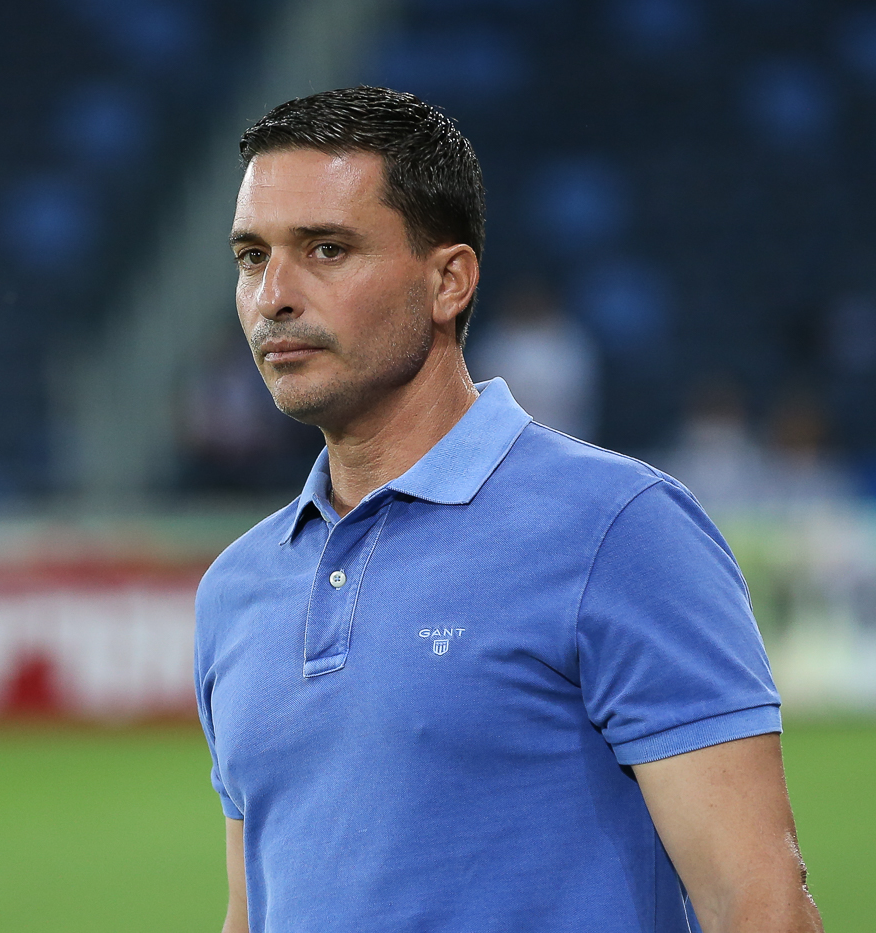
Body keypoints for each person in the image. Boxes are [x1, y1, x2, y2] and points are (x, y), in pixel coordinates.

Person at [194, 86, 823, 933]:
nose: (273, 294)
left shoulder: (619, 529)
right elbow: (252, 909)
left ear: (448, 280)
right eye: (250, 256)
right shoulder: (236, 588)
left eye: (327, 249)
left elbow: (760, 903)